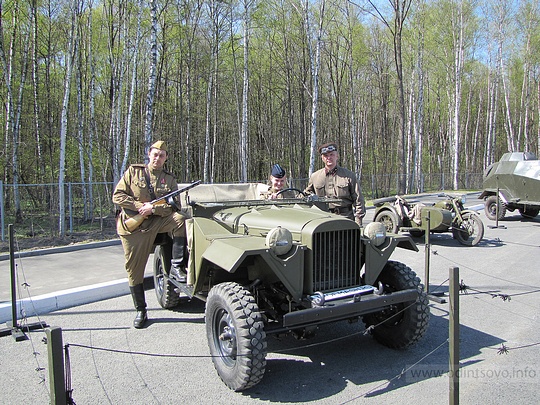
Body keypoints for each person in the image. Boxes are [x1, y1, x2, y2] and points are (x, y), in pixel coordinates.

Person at [112, 141, 188, 329]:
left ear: (166, 158)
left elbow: (173, 205)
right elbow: (118, 196)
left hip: (157, 221)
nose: (158, 158)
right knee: (134, 270)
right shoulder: (133, 172)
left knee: (181, 219)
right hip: (134, 228)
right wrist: (139, 207)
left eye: (162, 155)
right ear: (149, 154)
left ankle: (176, 267)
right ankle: (141, 310)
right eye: (155, 154)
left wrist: (152, 208)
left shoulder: (169, 179)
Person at [304, 142, 366, 225]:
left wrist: (358, 221)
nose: (329, 158)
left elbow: (358, 200)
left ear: (337, 156)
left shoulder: (348, 176)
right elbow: (305, 195)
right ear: (322, 158)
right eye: (326, 156)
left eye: (331, 154)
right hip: (322, 219)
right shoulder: (315, 177)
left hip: (345, 218)